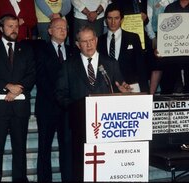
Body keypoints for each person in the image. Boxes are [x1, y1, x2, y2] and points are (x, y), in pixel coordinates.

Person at [56, 25, 131, 181]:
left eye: (91, 40)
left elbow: (119, 89)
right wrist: (78, 109)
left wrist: (124, 93)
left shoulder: (110, 63)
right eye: (84, 41)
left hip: (105, 128)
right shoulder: (68, 65)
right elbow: (60, 94)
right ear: (77, 44)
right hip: (78, 126)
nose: (89, 45)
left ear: (96, 40)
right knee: (79, 169)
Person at [0, 14, 35, 181]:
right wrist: (8, 86)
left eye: (16, 26)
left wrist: (16, 91)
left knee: (19, 150)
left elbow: (32, 74)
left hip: (20, 108)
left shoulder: (26, 49)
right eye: (10, 26)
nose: (14, 29)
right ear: (1, 29)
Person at [35, 18, 73, 182]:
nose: (62, 31)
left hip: (67, 109)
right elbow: (41, 78)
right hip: (47, 106)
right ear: (49, 31)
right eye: (58, 28)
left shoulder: (73, 51)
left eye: (65, 28)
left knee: (67, 148)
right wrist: (59, 98)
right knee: (44, 147)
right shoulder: (40, 51)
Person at [97, 3, 149, 92]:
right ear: (105, 20)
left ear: (122, 19)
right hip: (107, 89)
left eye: (116, 18)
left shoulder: (133, 38)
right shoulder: (99, 41)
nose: (113, 22)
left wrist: (145, 91)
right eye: (110, 18)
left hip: (131, 87)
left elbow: (141, 66)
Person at [150, 0, 189, 94]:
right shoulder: (170, 8)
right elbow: (164, 33)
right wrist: (160, 48)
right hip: (172, 53)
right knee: (163, 65)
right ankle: (152, 98)